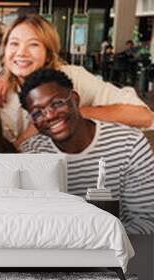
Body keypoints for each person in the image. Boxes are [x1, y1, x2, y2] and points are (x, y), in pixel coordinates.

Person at [19, 68, 154, 234]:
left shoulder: (129, 143)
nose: (50, 115)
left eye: (57, 103)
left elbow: (147, 221)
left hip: (119, 252)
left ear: (75, 99)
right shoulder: (32, 153)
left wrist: (95, 244)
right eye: (37, 113)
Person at [0, 14, 153, 145]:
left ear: (48, 53)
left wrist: (72, 113)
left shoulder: (73, 78)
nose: (21, 52)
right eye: (14, 44)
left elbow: (143, 116)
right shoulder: (0, 93)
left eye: (33, 44)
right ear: (4, 50)